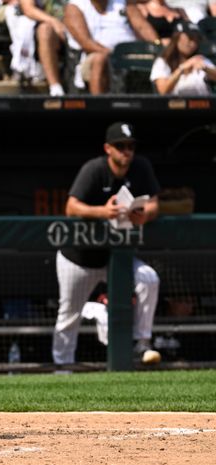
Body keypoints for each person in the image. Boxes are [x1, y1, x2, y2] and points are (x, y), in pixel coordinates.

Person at [52, 122, 161, 366]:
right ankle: (62, 368)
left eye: (130, 146)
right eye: (121, 146)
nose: (126, 151)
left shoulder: (140, 167)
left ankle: (141, 344)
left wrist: (145, 213)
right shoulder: (94, 169)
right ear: (108, 148)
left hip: (116, 256)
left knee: (148, 279)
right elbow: (71, 207)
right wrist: (104, 211)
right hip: (79, 258)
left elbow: (154, 203)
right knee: (69, 315)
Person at [64, 0, 159, 94]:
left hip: (130, 53)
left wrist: (158, 46)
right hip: (96, 55)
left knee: (161, 58)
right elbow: (86, 43)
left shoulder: (124, 3)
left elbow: (142, 27)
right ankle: (98, 104)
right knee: (99, 59)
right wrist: (114, 54)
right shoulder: (75, 7)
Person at [6, 0, 68, 96]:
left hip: (75, 24)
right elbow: (28, 9)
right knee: (45, 30)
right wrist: (54, 21)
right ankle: (55, 87)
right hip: (41, 28)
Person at [151, 22, 216, 95]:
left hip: (203, 103)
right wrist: (181, 69)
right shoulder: (163, 61)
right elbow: (163, 91)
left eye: (197, 39)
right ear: (177, 37)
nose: (193, 43)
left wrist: (205, 68)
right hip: (175, 104)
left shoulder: (199, 59)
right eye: (190, 38)